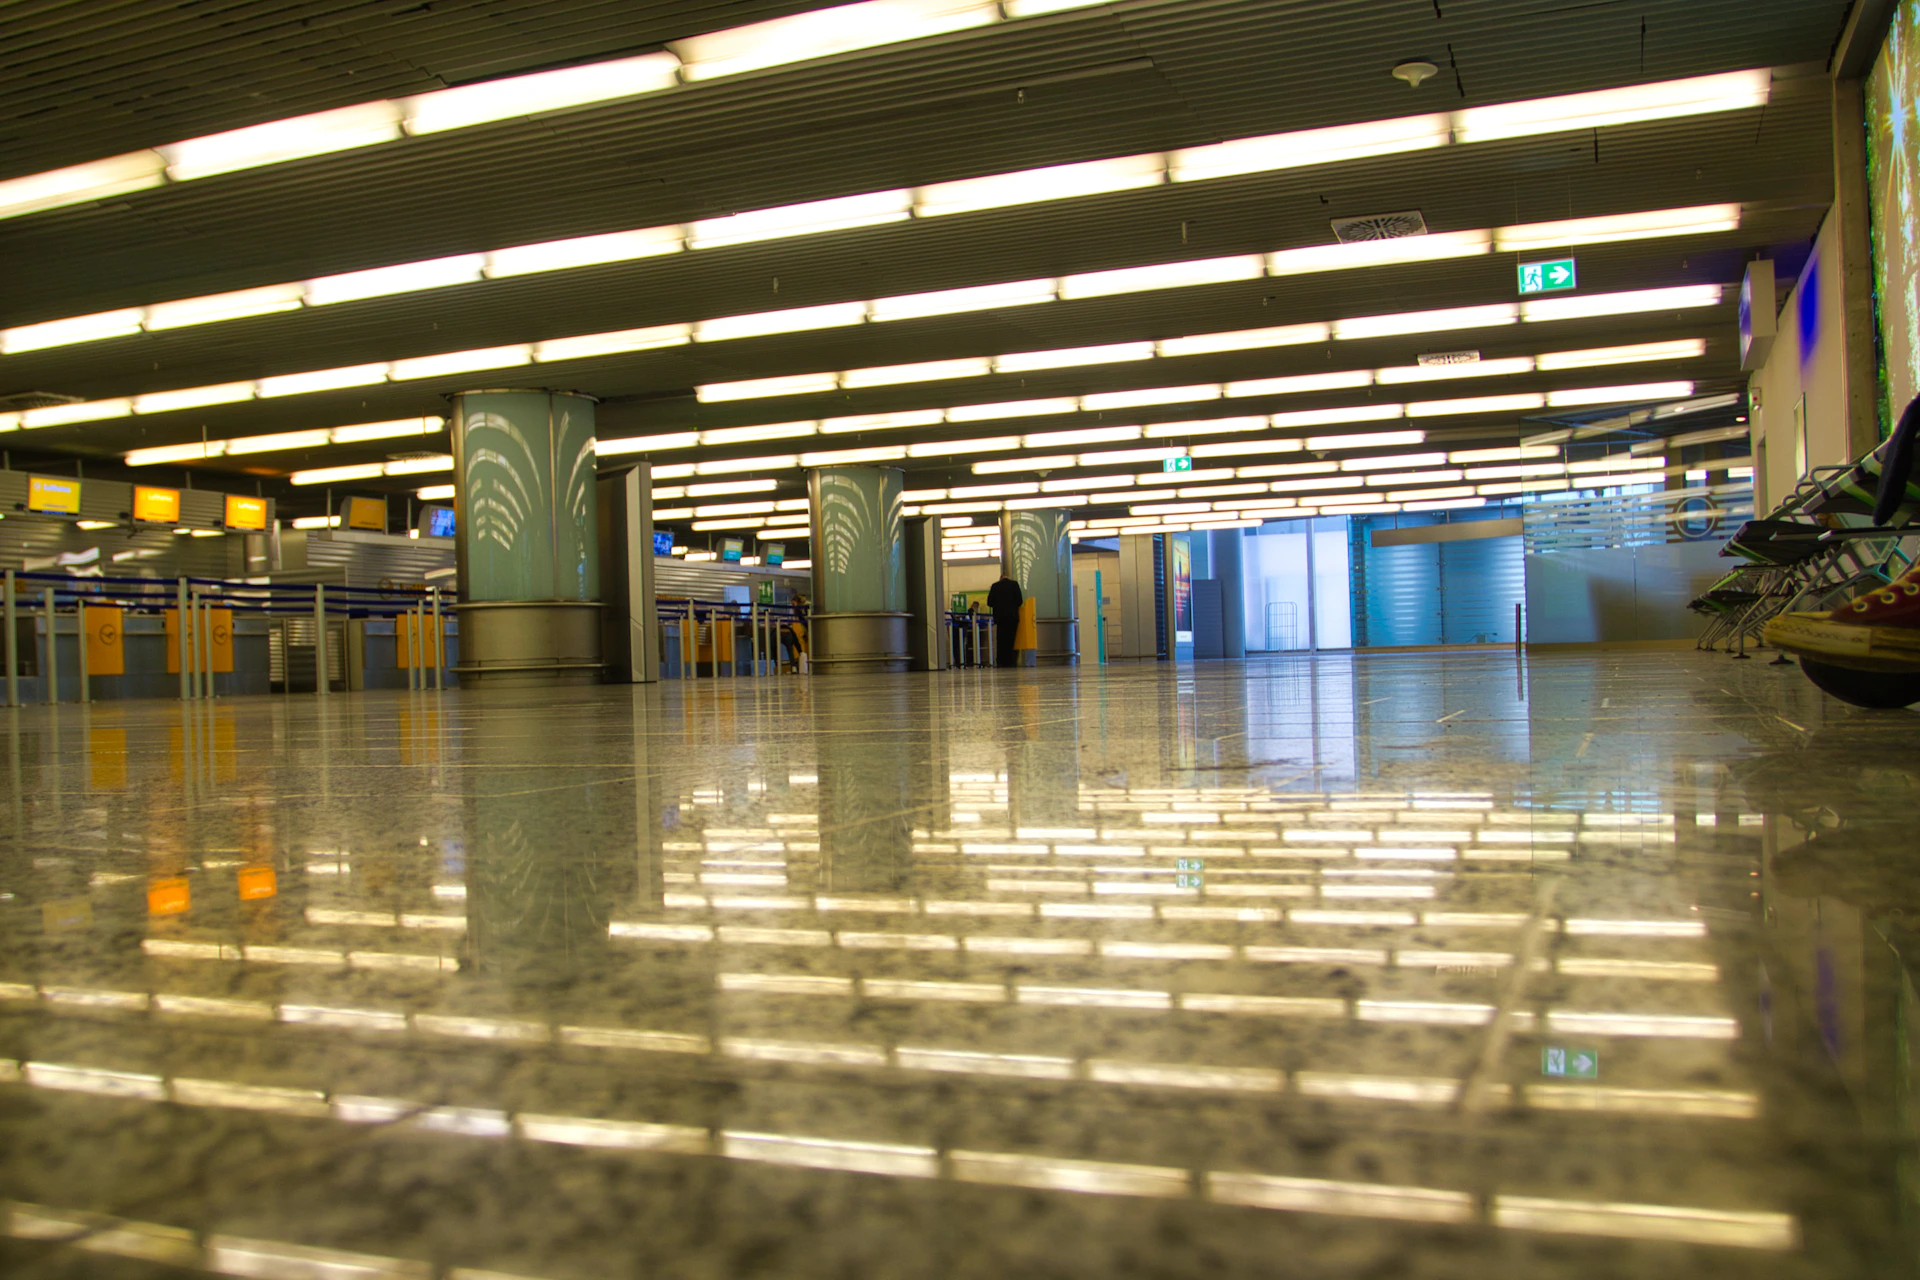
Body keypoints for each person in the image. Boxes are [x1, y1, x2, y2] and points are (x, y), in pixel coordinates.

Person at [986, 572, 1023, 668]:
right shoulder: (1014, 585)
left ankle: (1001, 661)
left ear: (1000, 578)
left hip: (1000, 618)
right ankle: (1010, 661)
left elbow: (989, 602)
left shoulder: (995, 586)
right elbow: (1020, 601)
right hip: (1012, 617)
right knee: (1011, 639)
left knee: (1001, 640)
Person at [781, 594, 810, 670]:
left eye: (793, 604)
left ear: (796, 601)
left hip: (805, 627)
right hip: (804, 627)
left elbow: (804, 620)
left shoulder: (803, 607)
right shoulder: (802, 607)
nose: (793, 606)